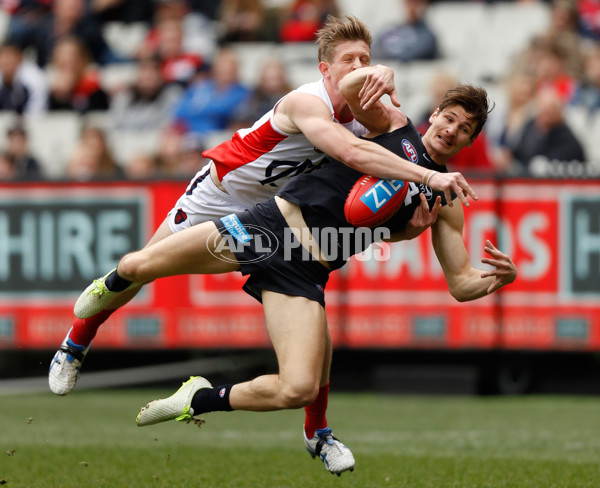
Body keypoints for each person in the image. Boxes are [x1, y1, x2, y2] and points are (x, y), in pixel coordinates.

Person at [48, 14, 476, 475]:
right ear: (324, 69)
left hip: (278, 223)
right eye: (348, 60)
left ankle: (317, 431)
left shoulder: (368, 117)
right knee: (140, 268)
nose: (360, 67)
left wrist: (407, 227)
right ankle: (76, 343)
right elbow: (355, 153)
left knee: (313, 358)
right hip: (223, 192)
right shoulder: (308, 103)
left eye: (367, 60)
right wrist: (396, 102)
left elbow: (365, 204)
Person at [122, 79, 515, 474]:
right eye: (449, 119)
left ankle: (198, 399)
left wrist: (498, 278)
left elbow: (461, 282)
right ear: (434, 115)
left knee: (299, 388)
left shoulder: (444, 202)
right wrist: (378, 70)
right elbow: (347, 88)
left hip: (305, 267)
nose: (452, 130)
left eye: (464, 130)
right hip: (270, 226)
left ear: (469, 143)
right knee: (141, 265)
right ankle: (77, 340)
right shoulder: (393, 125)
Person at [372, 0, 438, 63]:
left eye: (415, 3)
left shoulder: (427, 36)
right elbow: (373, 51)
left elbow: (411, 55)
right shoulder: (390, 29)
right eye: (409, 2)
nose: (412, 7)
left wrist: (388, 54)